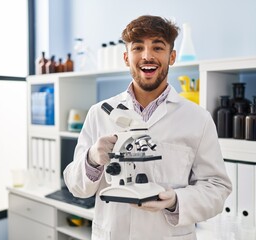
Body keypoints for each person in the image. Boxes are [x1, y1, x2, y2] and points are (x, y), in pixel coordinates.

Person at [64, 15, 232, 240]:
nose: (147, 56)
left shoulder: (197, 118)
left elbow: (217, 187)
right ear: (126, 57)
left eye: (157, 47)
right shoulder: (99, 113)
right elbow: (77, 188)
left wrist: (175, 201)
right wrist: (92, 158)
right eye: (138, 47)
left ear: (171, 56)